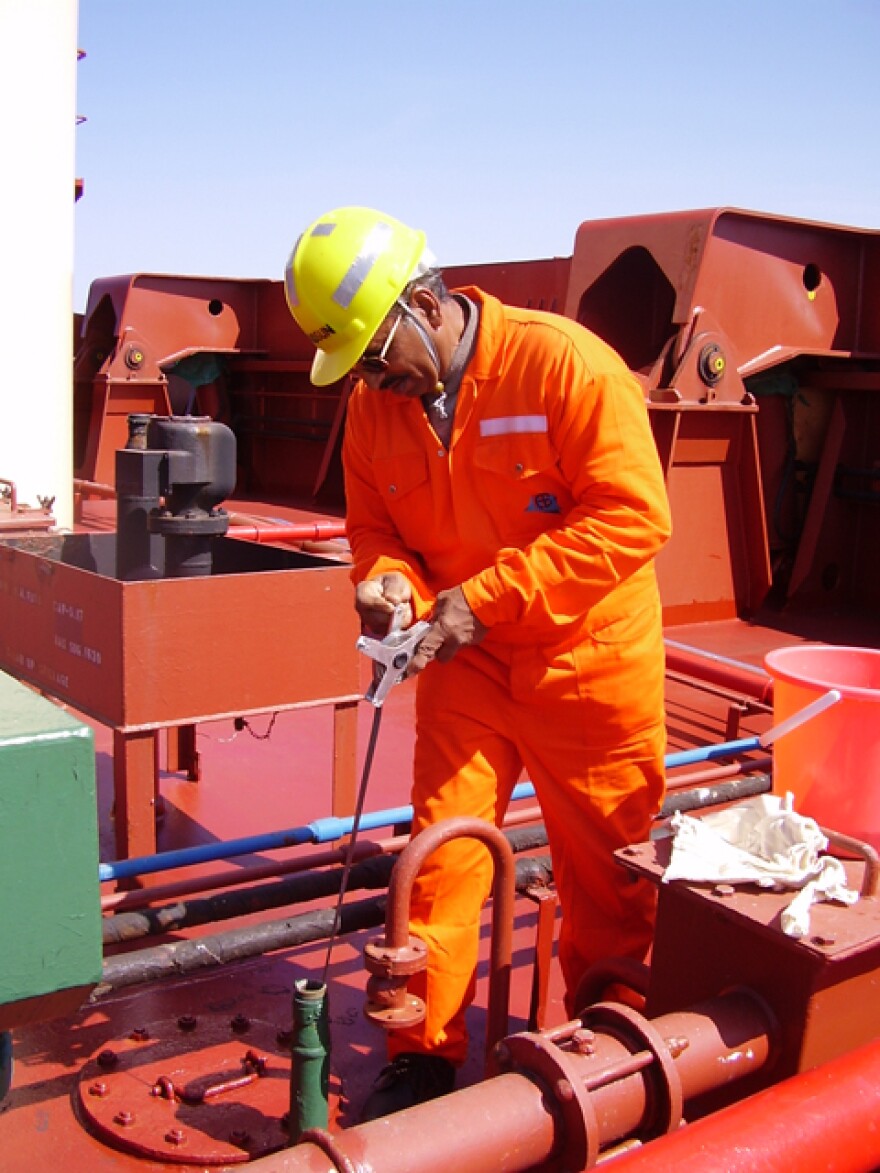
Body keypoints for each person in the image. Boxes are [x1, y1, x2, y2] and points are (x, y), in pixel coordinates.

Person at [283, 207, 672, 1120]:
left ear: (426, 303)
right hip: (466, 664)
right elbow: (375, 531)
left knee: (610, 870)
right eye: (362, 368)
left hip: (589, 660)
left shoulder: (563, 364)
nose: (375, 381)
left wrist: (480, 601)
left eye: (379, 356)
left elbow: (633, 516)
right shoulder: (375, 407)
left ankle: (614, 1039)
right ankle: (423, 1052)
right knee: (441, 859)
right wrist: (386, 585)